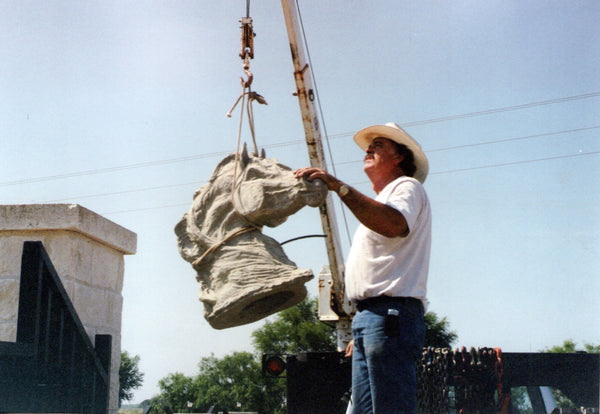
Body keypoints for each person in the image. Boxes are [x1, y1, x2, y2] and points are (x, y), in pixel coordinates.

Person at [294, 122, 431, 414]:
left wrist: (340, 188)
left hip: (388, 317)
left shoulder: (407, 187)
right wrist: (364, 328)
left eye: (378, 145)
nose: (368, 150)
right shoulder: (384, 199)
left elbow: (394, 224)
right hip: (375, 319)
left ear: (399, 158)